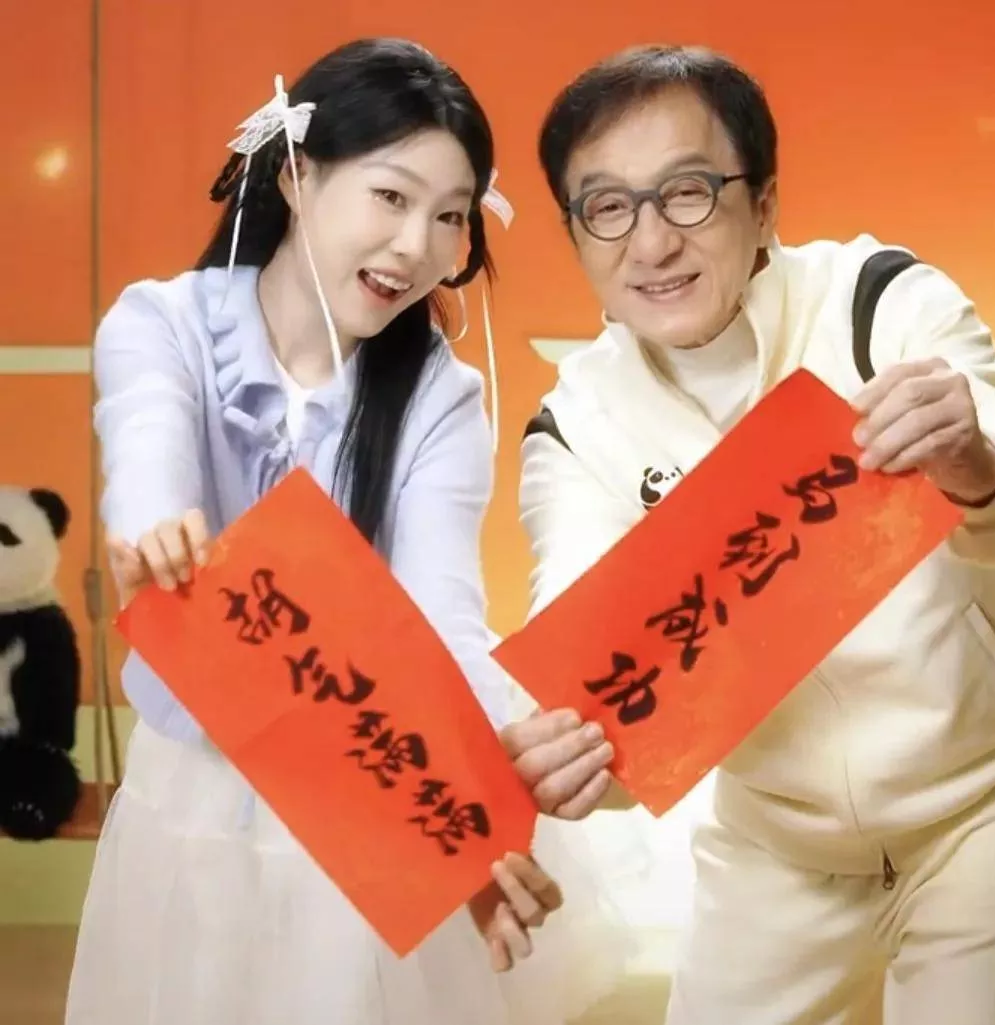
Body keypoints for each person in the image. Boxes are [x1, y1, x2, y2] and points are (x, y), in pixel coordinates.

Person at [504, 44, 995, 1025]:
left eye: (687, 192)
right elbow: (585, 638)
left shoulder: (875, 299)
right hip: (779, 844)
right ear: (577, 234)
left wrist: (974, 454)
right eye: (607, 207)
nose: (651, 242)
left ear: (763, 202)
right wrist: (567, 749)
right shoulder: (575, 429)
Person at [66, 37, 613, 1025]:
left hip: (363, 797)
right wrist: (150, 527)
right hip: (187, 797)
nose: (416, 246)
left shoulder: (441, 397)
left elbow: (442, 620)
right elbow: (147, 444)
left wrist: (472, 815)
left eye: (450, 215)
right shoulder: (162, 324)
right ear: (297, 174)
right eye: (391, 196)